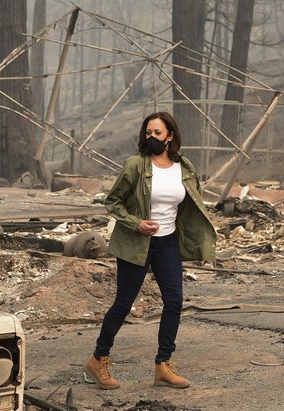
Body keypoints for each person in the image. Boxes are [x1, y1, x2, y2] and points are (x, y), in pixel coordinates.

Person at [84, 112, 216, 389]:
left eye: (157, 133)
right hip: (137, 243)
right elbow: (113, 202)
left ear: (170, 136)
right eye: (148, 133)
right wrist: (136, 223)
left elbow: (192, 205)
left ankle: (163, 365)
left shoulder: (185, 167)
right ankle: (98, 359)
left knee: (174, 303)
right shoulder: (135, 165)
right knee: (123, 304)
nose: (151, 137)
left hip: (167, 243)